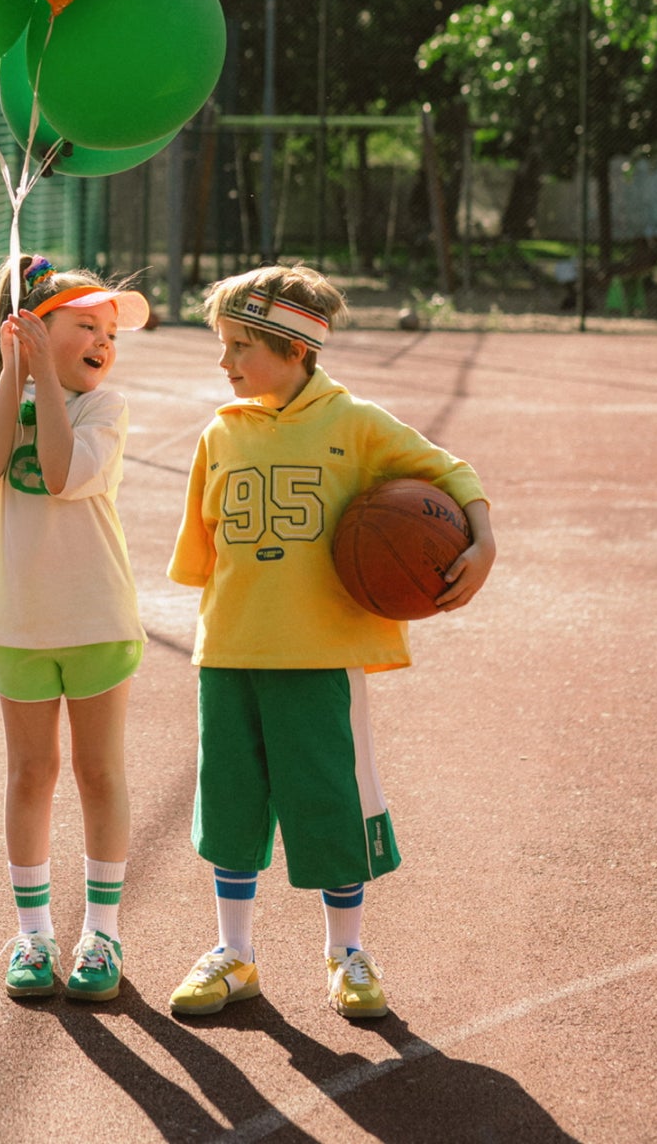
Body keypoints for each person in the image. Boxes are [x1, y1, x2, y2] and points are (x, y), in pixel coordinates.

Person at [166, 263, 495, 1022]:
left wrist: (484, 542)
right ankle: (235, 954)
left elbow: (451, 472)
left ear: (293, 348)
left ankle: (347, 952)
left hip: (318, 658)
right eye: (223, 343)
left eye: (240, 345)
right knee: (230, 809)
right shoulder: (220, 432)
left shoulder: (356, 423)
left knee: (330, 805)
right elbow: (203, 556)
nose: (224, 360)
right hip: (229, 654)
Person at [0, 252, 151, 1002]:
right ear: (35, 328)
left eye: (111, 333)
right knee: (30, 774)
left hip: (96, 617)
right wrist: (16, 371)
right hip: (16, 622)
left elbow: (63, 472)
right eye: (87, 326)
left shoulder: (105, 409)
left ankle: (101, 934)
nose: (104, 341)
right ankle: (33, 935)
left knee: (99, 774)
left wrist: (43, 374)